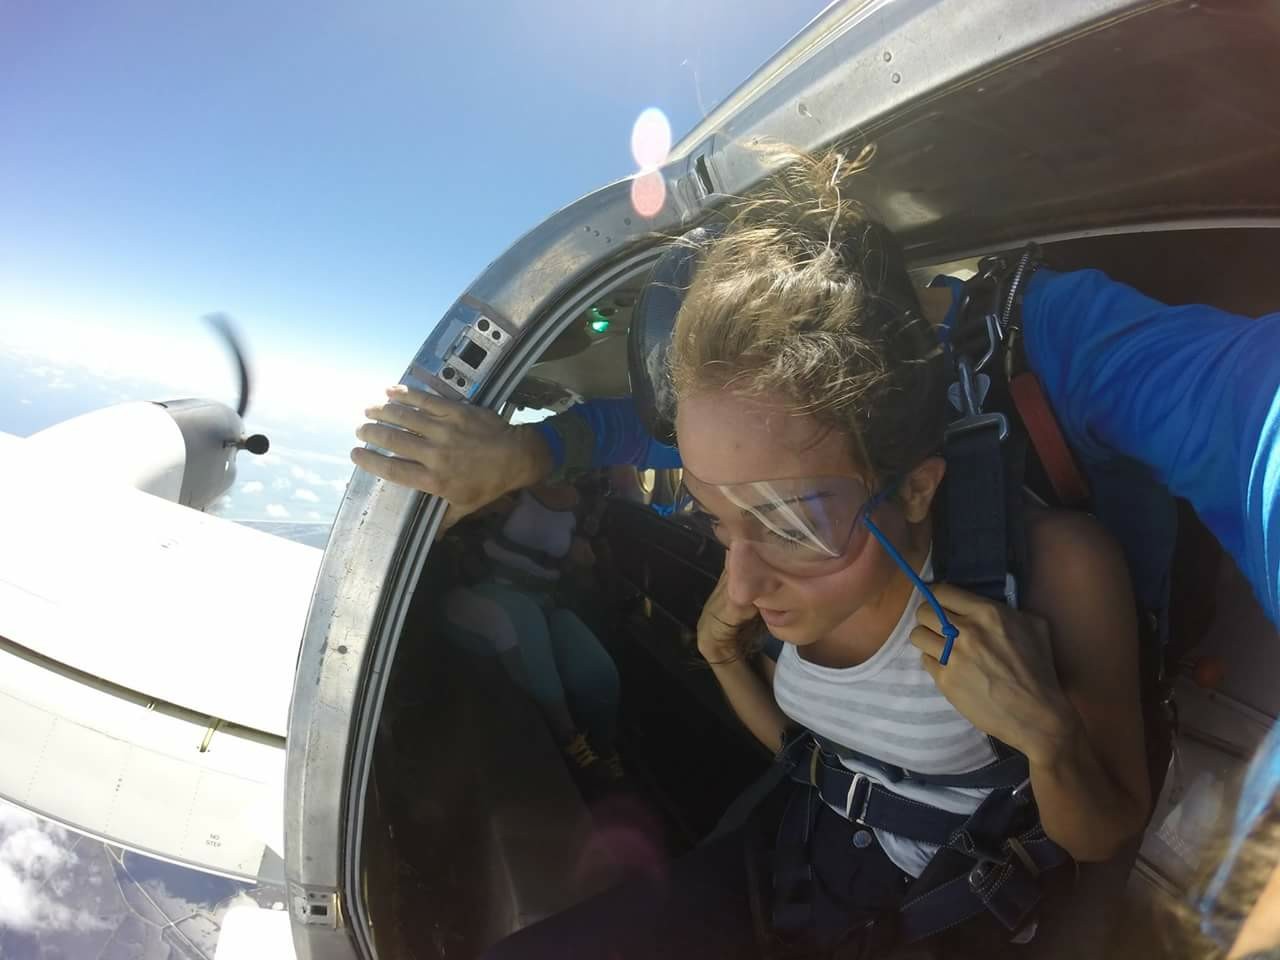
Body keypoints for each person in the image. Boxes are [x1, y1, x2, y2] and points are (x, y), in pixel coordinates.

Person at [358, 150, 1153, 957]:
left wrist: (1049, 740)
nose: (742, 582)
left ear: (915, 489)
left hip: (937, 910)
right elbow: (820, 762)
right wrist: (726, 660)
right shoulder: (792, 575)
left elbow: (1105, 834)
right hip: (789, 857)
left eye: (789, 525)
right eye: (714, 519)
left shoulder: (1053, 571)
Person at [441, 481, 625, 792]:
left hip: (543, 602)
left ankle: (604, 749)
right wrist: (480, 508)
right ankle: (569, 741)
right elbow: (444, 528)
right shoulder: (502, 478)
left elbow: (580, 577)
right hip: (475, 594)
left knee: (598, 673)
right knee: (522, 619)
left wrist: (582, 562)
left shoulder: (588, 501)